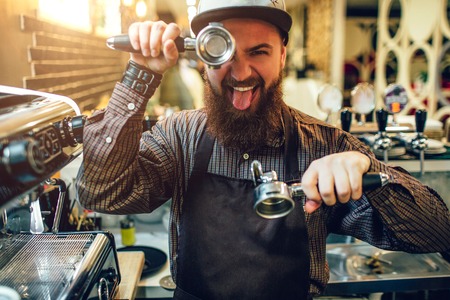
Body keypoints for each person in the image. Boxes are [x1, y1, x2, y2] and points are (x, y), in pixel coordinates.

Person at [76, 0, 450, 299]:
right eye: (224, 53)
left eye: (259, 52)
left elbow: (437, 233)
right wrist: (141, 73)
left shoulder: (323, 144)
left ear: (283, 56)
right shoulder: (180, 137)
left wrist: (368, 168)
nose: (241, 73)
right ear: (203, 58)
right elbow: (102, 192)